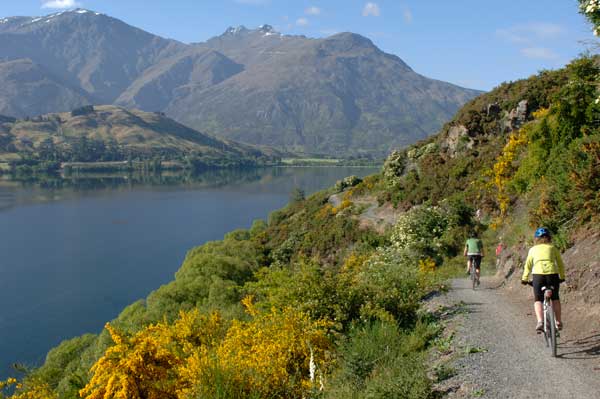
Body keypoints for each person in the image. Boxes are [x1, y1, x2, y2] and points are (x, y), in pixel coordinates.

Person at [521, 227, 566, 333]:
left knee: (538, 299)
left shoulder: (532, 250)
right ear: (549, 238)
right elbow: (560, 264)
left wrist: (524, 278)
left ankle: (540, 321)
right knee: (555, 298)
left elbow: (528, 265)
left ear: (536, 239)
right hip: (552, 275)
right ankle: (558, 321)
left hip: (538, 276)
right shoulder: (553, 248)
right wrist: (562, 277)